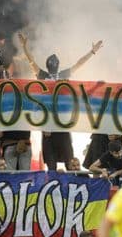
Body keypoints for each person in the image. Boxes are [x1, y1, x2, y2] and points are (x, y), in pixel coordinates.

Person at [17, 32, 103, 170]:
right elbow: (31, 61)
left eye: (55, 63)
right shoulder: (43, 75)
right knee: (51, 161)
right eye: (51, 63)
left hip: (62, 121)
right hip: (48, 121)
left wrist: (92, 52)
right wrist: (24, 47)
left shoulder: (60, 75)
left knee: (69, 156)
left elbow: (79, 64)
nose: (53, 64)